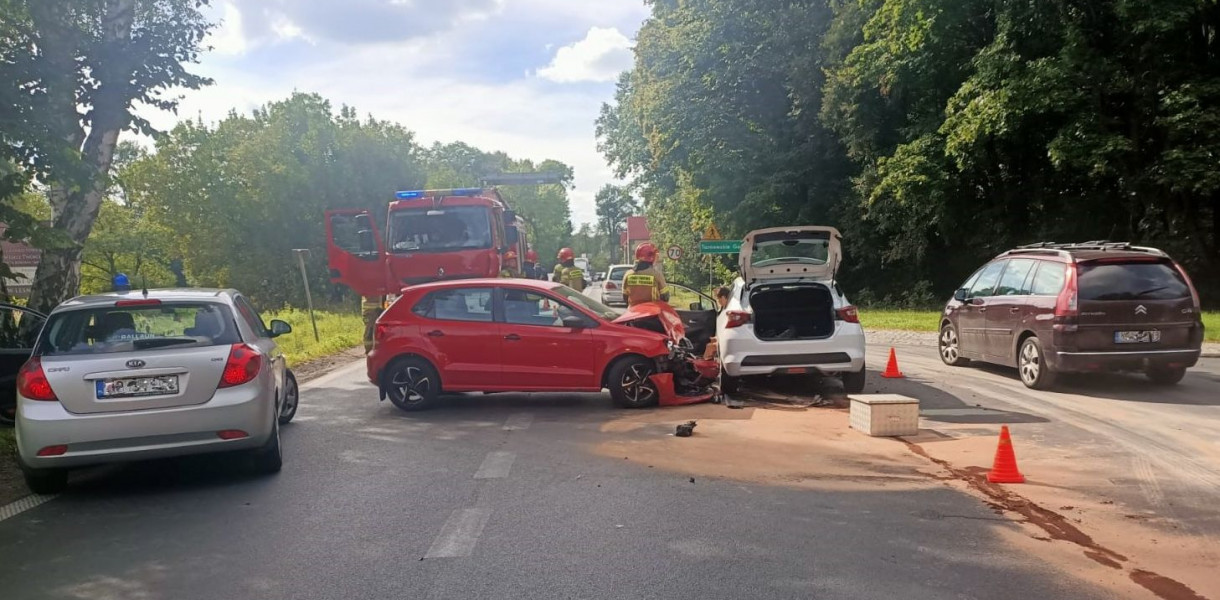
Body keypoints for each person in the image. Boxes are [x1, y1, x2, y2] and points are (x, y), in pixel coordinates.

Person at [703, 286, 733, 360]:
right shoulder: (726, 308)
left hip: (727, 340)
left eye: (718, 299)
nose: (718, 301)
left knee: (710, 347)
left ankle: (707, 365)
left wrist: (718, 339)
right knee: (710, 344)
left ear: (723, 297)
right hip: (725, 338)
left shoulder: (729, 311)